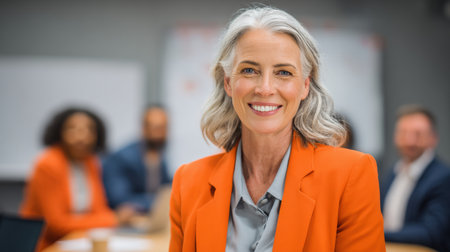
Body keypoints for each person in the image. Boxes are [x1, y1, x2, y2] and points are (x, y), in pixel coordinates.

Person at [169, 6, 385, 251]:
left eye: (283, 72)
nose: (265, 88)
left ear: (305, 86)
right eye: (249, 70)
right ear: (228, 82)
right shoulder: (188, 184)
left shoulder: (350, 176)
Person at [20, 107, 117, 251]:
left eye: (88, 130)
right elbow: (56, 225)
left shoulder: (90, 162)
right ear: (60, 132)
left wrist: (104, 219)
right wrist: (113, 219)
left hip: (78, 241)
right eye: (72, 129)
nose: (81, 136)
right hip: (46, 245)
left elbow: (98, 209)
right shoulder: (48, 164)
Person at [380, 105, 450, 251]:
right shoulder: (394, 171)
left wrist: (379, 233)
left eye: (418, 134)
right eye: (403, 133)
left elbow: (431, 233)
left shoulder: (443, 177)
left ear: (433, 138)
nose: (410, 141)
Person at [102, 105, 172, 226]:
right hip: (122, 226)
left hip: (147, 222)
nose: (160, 134)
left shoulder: (159, 156)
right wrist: (158, 202)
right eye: (155, 127)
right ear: (144, 128)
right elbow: (120, 200)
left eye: (163, 128)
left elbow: (167, 189)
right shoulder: (122, 157)